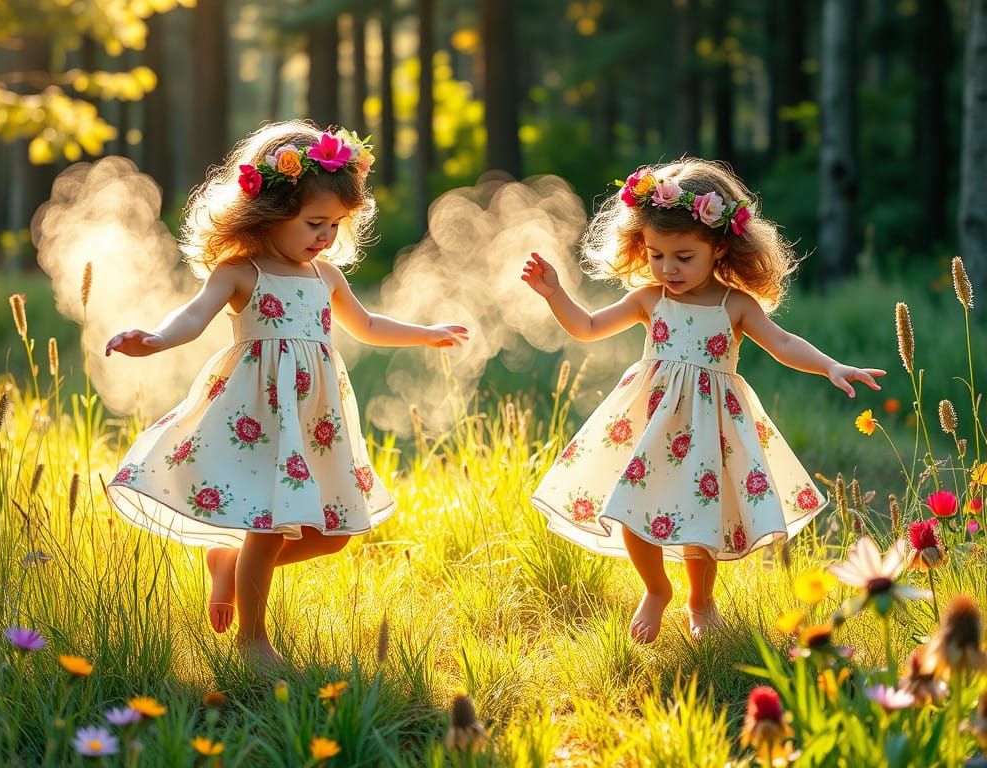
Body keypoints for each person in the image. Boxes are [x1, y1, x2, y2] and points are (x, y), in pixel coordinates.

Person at [106, 120, 469, 665]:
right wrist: (156, 339)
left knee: (333, 533)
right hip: (258, 413)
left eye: (335, 226)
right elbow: (193, 316)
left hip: (315, 417)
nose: (325, 237)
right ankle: (254, 640)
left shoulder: (325, 276)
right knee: (269, 530)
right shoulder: (240, 272)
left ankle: (229, 565)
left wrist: (425, 333)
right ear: (271, 211)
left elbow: (367, 324)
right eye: (314, 222)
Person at [522, 158, 883, 644]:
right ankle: (655, 588)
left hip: (709, 430)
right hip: (650, 423)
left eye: (683, 257)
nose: (667, 268)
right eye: (655, 255)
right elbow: (587, 327)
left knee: (701, 519)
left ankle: (701, 598)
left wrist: (831, 366)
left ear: (718, 248)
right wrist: (554, 293)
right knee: (630, 506)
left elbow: (784, 344)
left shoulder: (734, 305)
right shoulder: (650, 300)